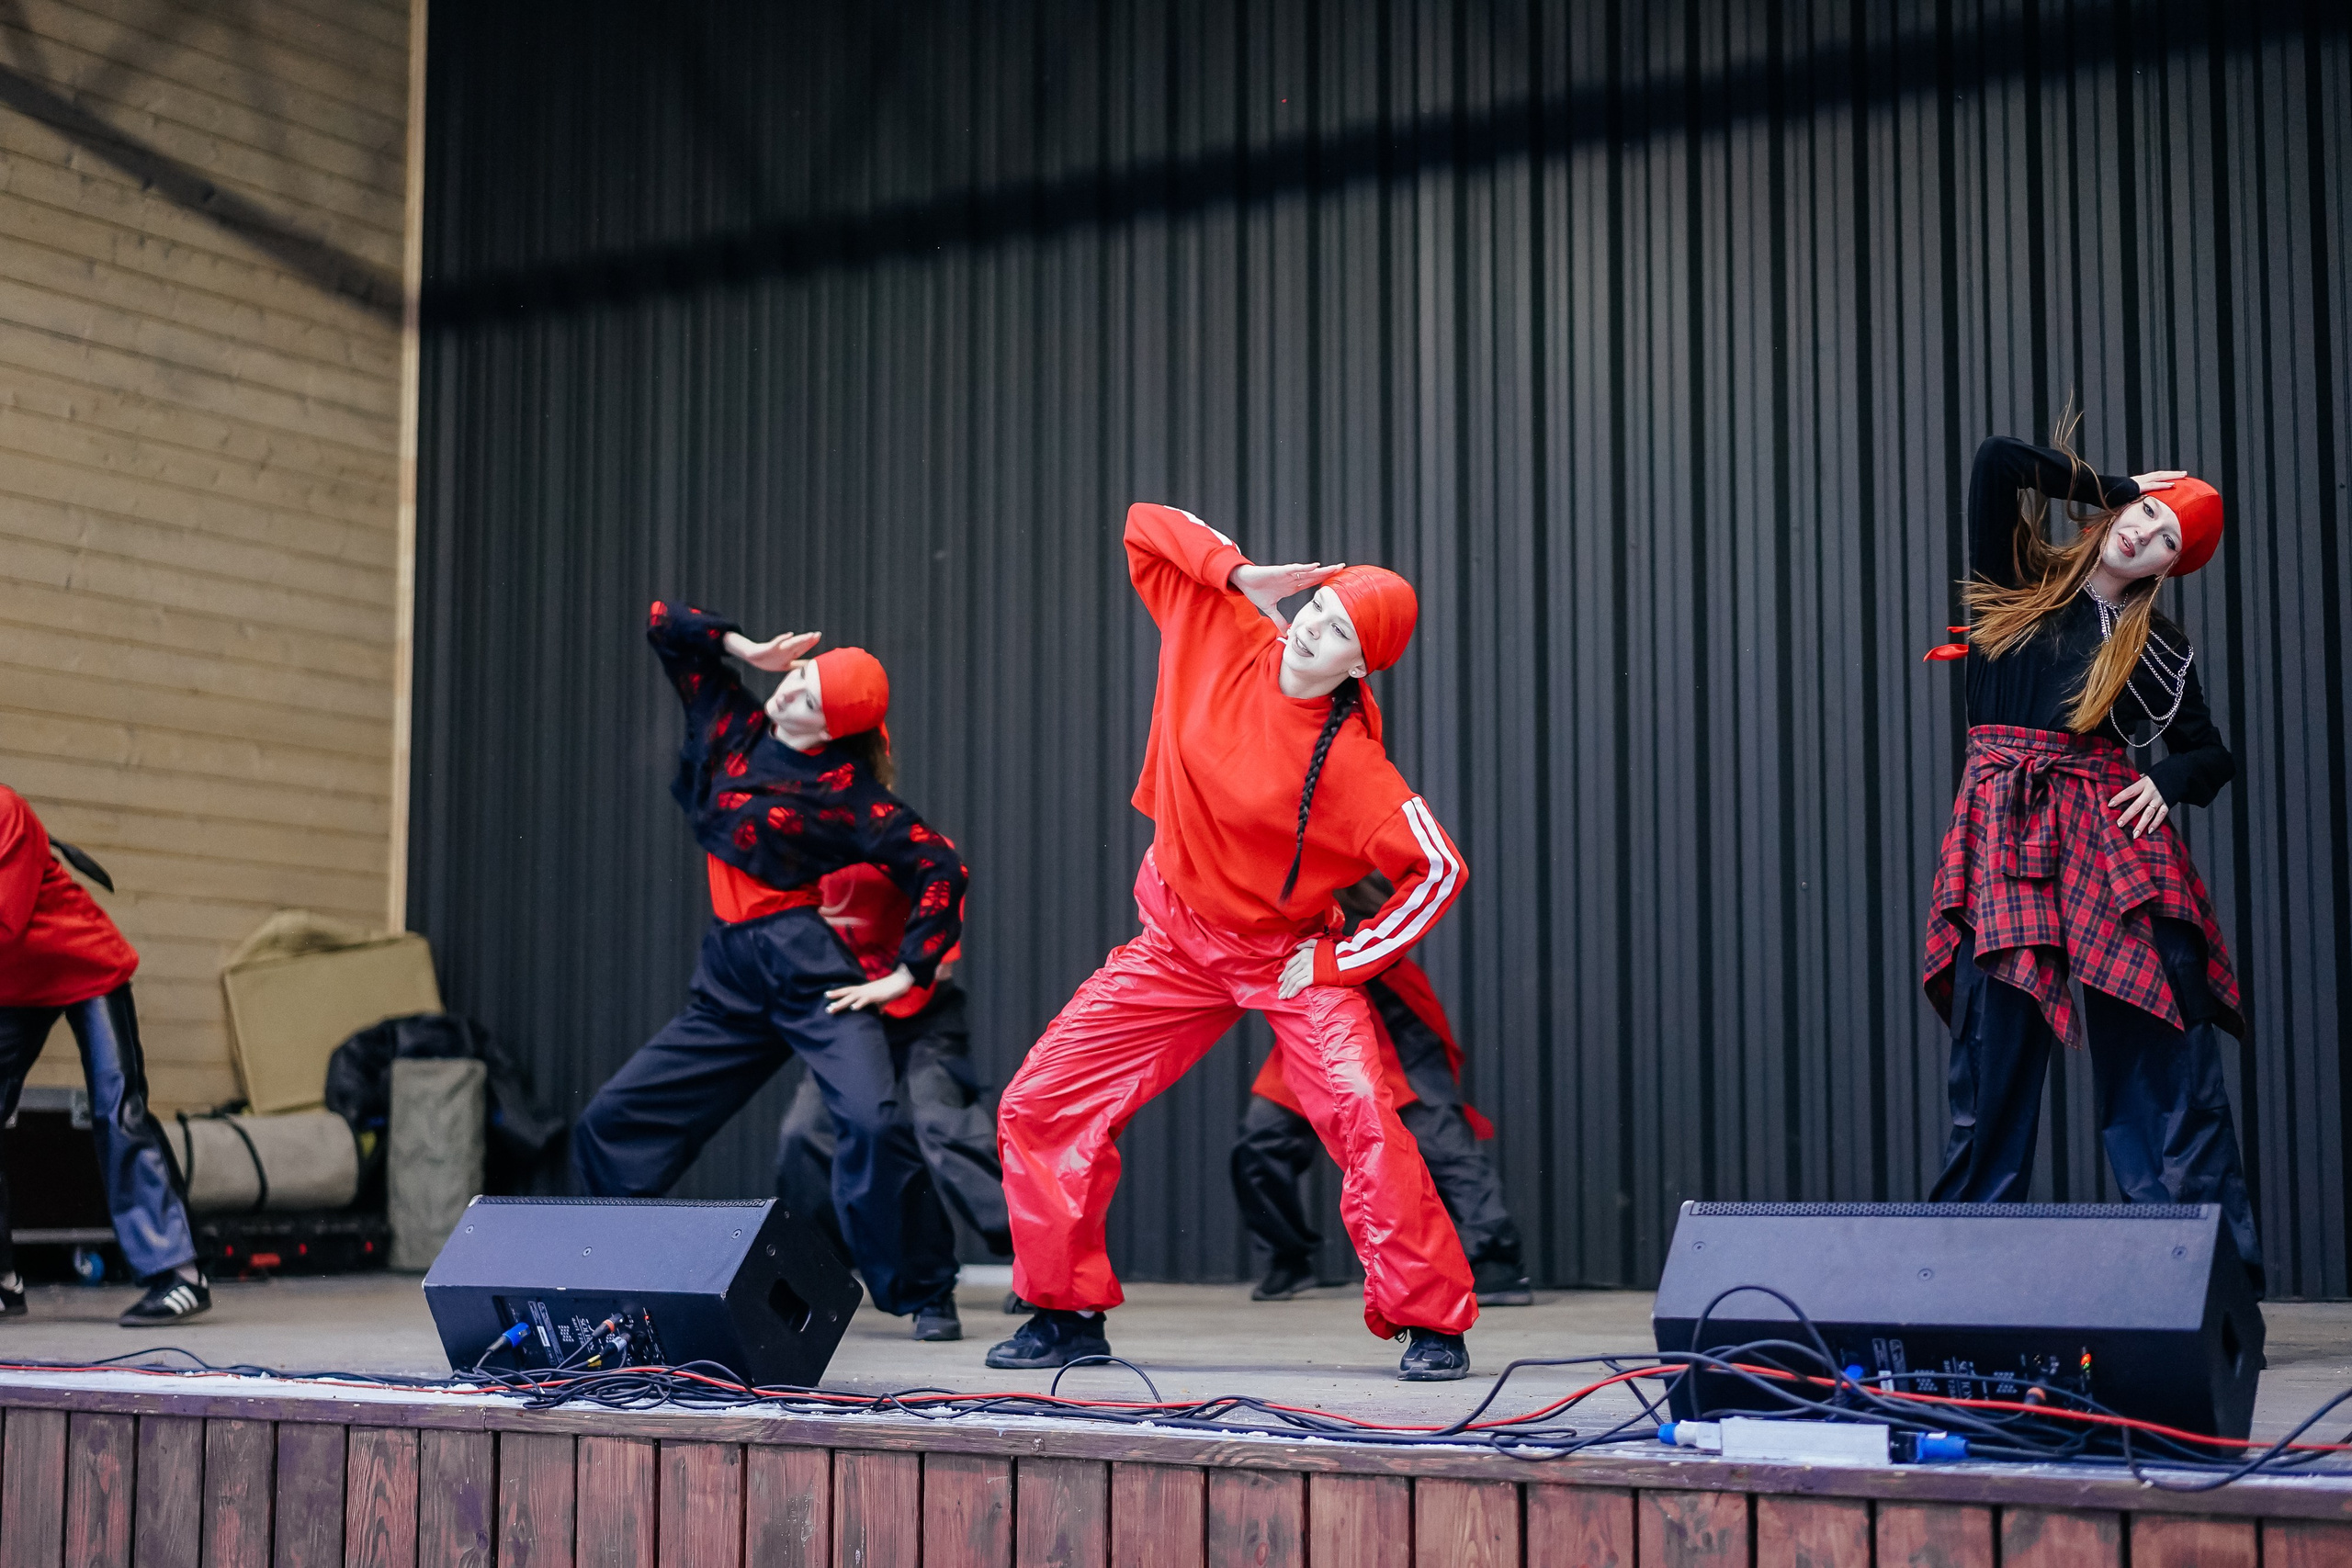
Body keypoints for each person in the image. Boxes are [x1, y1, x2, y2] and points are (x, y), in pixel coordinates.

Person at [989, 504, 1477, 1382]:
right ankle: (1063, 1316)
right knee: (1039, 1102)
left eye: (1338, 634)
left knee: (1365, 1116)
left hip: (1283, 958)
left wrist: (1339, 961)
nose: (1311, 631)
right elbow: (1145, 525)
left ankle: (1431, 1320)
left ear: (1360, 666)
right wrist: (1241, 573)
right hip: (1175, 943)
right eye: (1316, 609)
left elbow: (1438, 869)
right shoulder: (1221, 629)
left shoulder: (1353, 765)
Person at [1923, 423, 2262, 1290]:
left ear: (2172, 567)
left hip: (2109, 835)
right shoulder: (2020, 581)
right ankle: (1958, 1281)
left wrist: (2167, 780)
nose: (2145, 534)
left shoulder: (2160, 647)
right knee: (1991, 1062)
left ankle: (2202, 1282)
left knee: (2168, 1056)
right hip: (2006, 828)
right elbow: (1997, 460)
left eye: (2168, 539)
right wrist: (2113, 483)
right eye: (2147, 515)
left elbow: (2210, 754)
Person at [573, 604, 969, 1335]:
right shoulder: (731, 723)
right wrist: (745, 646)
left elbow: (940, 865)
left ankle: (923, 1288)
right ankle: (615, 1275)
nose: (789, 694)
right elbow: (664, 623)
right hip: (729, 975)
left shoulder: (846, 792)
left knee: (872, 1120)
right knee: (611, 1119)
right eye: (799, 678)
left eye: (809, 699)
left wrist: (907, 972)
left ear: (832, 728)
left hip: (803, 966)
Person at [1232, 873, 1531, 1306]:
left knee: (1439, 1141)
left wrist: (1337, 942)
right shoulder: (1249, 868)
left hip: (1387, 1018)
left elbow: (1398, 917)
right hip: (1315, 1025)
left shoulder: (1345, 865)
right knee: (1261, 1142)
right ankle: (1289, 1259)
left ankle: (1495, 1260)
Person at [774, 862, 1009, 1341]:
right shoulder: (804, 866)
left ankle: (1033, 1258)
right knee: (805, 1133)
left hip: (924, 1014)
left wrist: (885, 984)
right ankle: (816, 1273)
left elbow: (938, 963)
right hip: (848, 1018)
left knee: (943, 1125)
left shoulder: (919, 860)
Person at [0, 785, 209, 1325]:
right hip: (14, 988)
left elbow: (6, 923)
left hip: (84, 965)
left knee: (117, 1110)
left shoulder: (7, 812)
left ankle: (180, 1275)